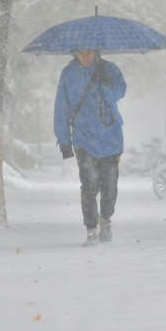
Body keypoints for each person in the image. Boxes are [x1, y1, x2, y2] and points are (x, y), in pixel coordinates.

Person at [54, 49, 127, 247]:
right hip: (83, 139)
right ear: (74, 53)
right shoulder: (68, 74)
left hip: (110, 137)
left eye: (89, 52)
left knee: (110, 186)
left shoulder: (110, 69)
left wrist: (106, 84)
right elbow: (61, 107)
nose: (85, 57)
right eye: (81, 52)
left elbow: (120, 91)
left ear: (97, 52)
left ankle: (106, 219)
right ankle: (91, 230)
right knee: (89, 184)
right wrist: (64, 141)